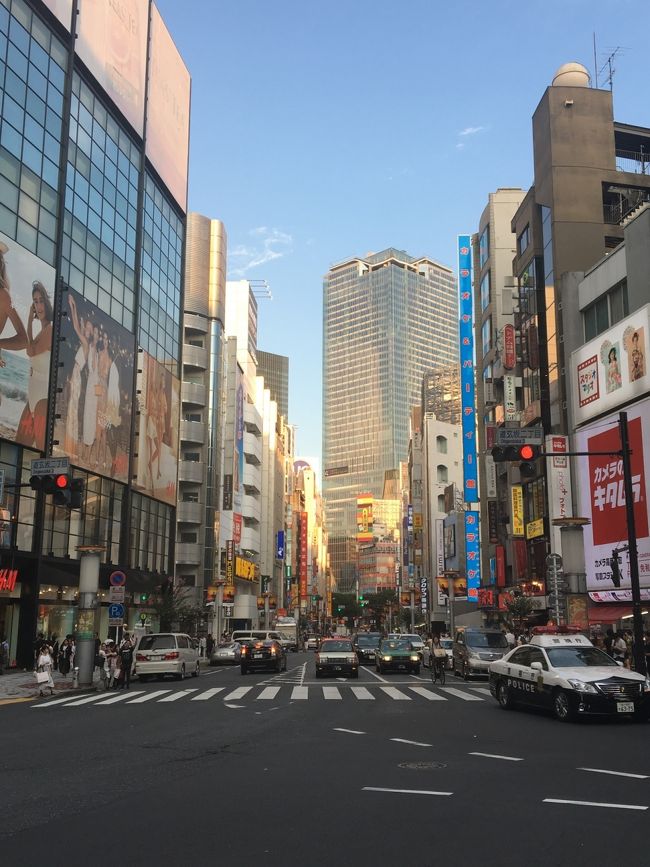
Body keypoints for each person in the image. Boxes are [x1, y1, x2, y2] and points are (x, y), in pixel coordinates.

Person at [15, 282, 53, 449]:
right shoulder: (41, 332)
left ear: (47, 302)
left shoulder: (51, 329)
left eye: (41, 300)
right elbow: (30, 349)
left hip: (42, 400)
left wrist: (29, 320)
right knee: (18, 446)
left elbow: (30, 350)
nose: (38, 306)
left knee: (41, 454)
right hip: (32, 399)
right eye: (35, 301)